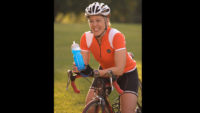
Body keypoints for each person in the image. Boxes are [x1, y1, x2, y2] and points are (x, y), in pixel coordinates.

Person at [73, 2, 139, 113]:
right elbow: (84, 64)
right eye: (91, 21)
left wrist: (95, 72)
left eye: (98, 20)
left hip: (126, 73)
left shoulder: (116, 36)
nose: (94, 25)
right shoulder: (86, 37)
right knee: (90, 108)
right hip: (105, 71)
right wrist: (78, 67)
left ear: (106, 20)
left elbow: (119, 69)